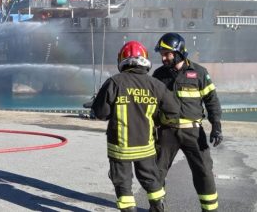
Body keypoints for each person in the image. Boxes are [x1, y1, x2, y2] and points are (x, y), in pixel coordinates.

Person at [91, 41, 180, 212]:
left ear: (122, 60)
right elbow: (173, 111)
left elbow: (101, 113)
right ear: (145, 60)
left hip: (120, 148)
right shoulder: (156, 85)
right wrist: (157, 120)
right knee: (151, 181)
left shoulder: (114, 82)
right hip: (146, 147)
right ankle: (158, 207)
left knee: (123, 185)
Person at [152, 33, 223, 212]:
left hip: (193, 132)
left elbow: (211, 100)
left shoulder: (199, 73)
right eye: (162, 53)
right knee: (156, 173)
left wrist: (216, 126)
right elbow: (150, 104)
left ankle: (210, 209)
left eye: (167, 53)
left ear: (179, 52)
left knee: (204, 173)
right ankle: (157, 208)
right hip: (166, 132)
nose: (163, 57)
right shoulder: (158, 75)